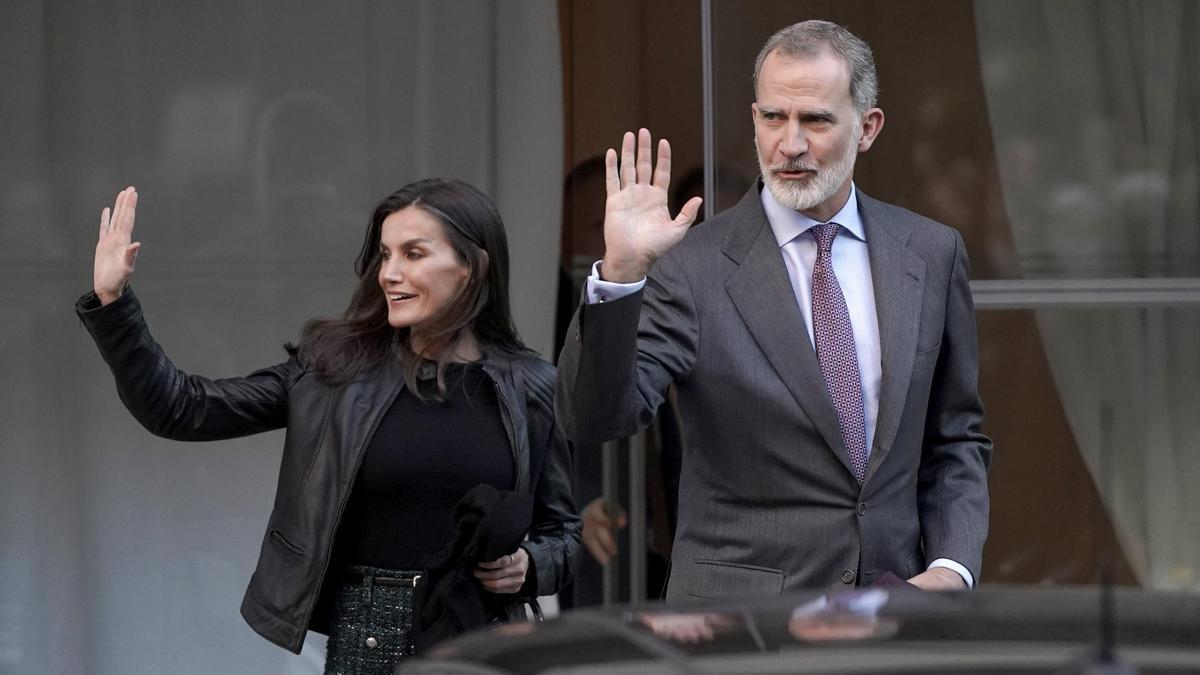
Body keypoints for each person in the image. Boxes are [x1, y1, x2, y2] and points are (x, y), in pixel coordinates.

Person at [556, 20, 991, 598]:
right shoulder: (693, 265)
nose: (790, 144)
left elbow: (955, 437)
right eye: (772, 118)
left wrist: (951, 567)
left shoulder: (932, 252)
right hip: (741, 629)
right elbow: (593, 419)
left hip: (894, 614)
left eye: (815, 119)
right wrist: (621, 273)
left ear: (868, 127)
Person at [79, 179, 580, 673]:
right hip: (368, 634)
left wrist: (530, 565)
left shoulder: (531, 386)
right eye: (385, 255)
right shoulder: (336, 371)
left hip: (486, 639)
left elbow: (564, 535)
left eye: (413, 253)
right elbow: (181, 408)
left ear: (472, 267)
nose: (390, 273)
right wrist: (113, 302)